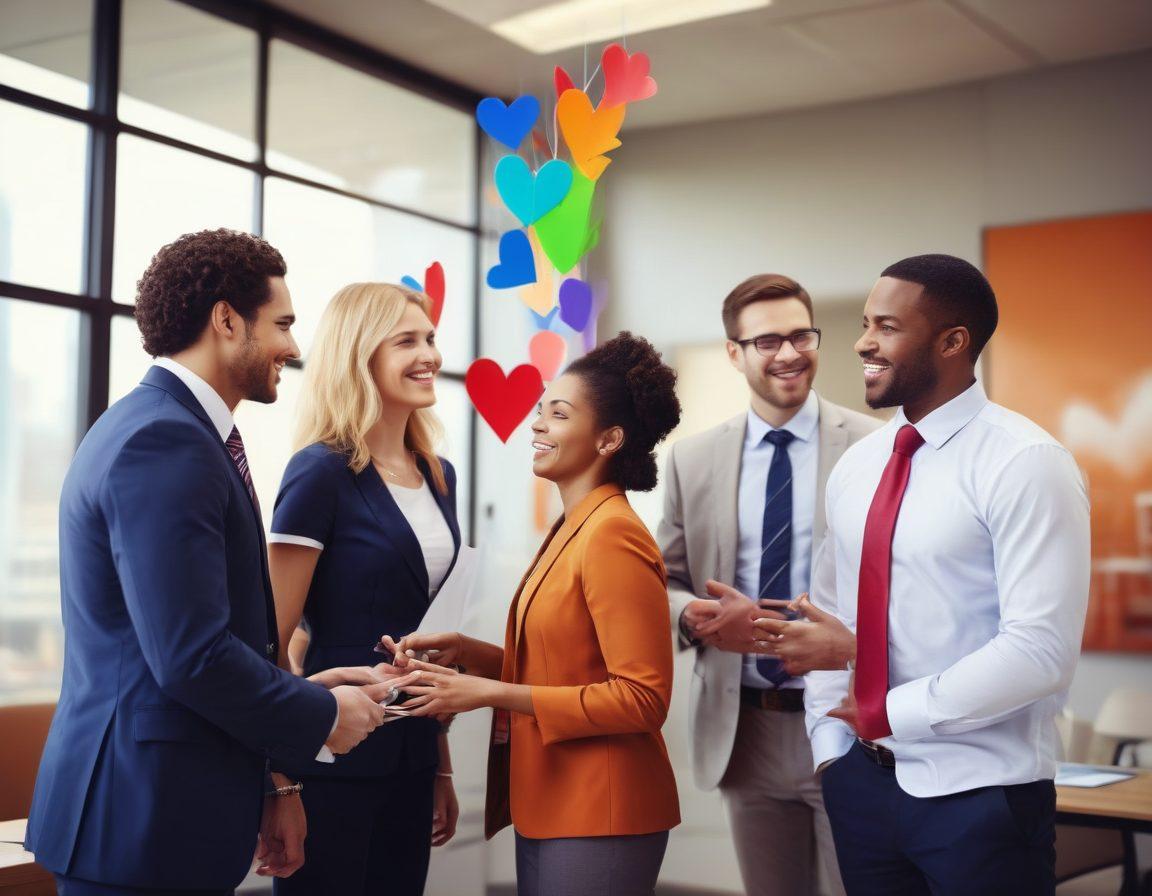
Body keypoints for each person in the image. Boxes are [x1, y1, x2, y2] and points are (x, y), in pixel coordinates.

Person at [26, 229, 398, 896]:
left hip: (158, 814)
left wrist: (293, 730)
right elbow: (190, 655)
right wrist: (322, 716)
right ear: (226, 320)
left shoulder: (172, 430)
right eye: (281, 323)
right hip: (139, 822)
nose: (291, 345)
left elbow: (203, 641)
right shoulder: (166, 440)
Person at [801, 254, 1090, 895]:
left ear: (953, 341)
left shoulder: (1027, 463)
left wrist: (888, 711)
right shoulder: (859, 464)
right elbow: (834, 614)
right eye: (867, 323)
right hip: (861, 785)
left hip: (981, 796)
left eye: (886, 326)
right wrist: (830, 745)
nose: (862, 342)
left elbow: (1041, 652)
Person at [382, 332, 683, 896]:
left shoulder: (613, 535)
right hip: (555, 799)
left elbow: (642, 699)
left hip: (603, 809)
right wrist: (472, 656)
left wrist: (488, 694)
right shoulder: (574, 526)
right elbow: (567, 667)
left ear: (608, 439)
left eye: (558, 414)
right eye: (540, 410)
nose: (537, 425)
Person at [657, 274, 879, 896]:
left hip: (848, 719)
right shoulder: (692, 458)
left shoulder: (877, 446)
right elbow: (662, 581)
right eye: (767, 341)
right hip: (745, 728)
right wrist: (696, 616)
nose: (788, 353)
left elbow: (910, 583)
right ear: (735, 352)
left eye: (801, 335)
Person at [267, 283, 461, 896]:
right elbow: (269, 637)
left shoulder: (438, 474)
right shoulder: (321, 471)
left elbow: (428, 627)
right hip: (330, 756)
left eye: (429, 338)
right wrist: (280, 780)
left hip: (413, 752)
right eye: (406, 340)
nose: (429, 353)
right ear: (360, 357)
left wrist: (441, 764)